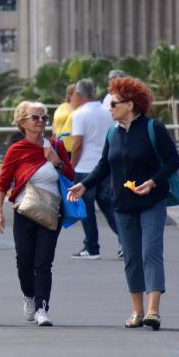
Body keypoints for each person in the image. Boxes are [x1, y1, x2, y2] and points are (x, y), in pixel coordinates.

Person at [67, 77, 179, 330]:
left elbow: (173, 161)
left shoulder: (154, 128)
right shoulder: (112, 132)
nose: (110, 107)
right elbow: (104, 165)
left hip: (151, 201)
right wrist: (84, 185)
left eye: (115, 103)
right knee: (131, 257)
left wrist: (152, 181)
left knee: (151, 253)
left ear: (130, 104)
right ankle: (137, 311)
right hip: (123, 204)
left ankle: (153, 311)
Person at [0, 101, 75, 327]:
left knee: (44, 262)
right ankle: (29, 296)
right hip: (25, 212)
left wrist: (56, 161)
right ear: (22, 123)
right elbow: (2, 183)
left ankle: (42, 308)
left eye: (44, 118)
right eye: (35, 118)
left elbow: (70, 175)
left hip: (51, 212)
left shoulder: (56, 146)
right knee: (24, 262)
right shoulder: (16, 150)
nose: (41, 121)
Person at [69, 79, 119, 259]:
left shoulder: (80, 114)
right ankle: (125, 242)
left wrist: (71, 165)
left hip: (85, 167)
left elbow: (77, 144)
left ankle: (91, 246)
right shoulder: (107, 112)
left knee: (86, 208)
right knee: (108, 206)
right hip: (105, 166)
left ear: (80, 94)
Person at [52, 84, 77, 152]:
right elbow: (54, 122)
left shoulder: (82, 108)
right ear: (70, 95)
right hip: (58, 146)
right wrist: (54, 133)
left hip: (73, 148)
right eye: (77, 93)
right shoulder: (61, 107)